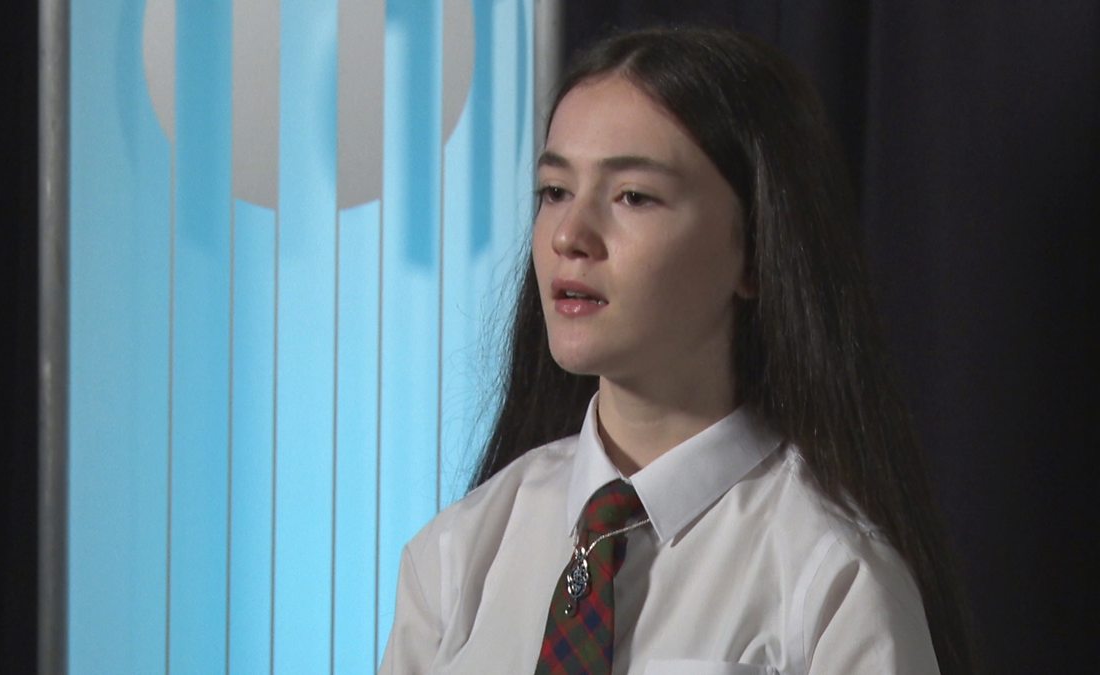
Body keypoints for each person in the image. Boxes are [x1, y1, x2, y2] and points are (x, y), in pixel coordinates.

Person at [380, 26, 976, 674]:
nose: (570, 235)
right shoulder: (455, 556)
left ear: (754, 251)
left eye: (633, 196)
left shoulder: (833, 580)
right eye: (555, 191)